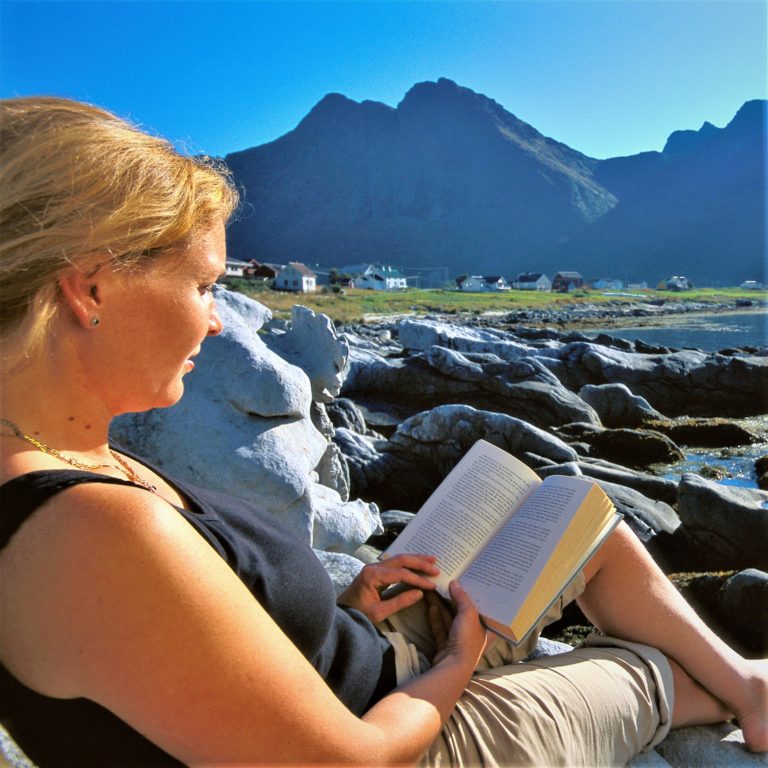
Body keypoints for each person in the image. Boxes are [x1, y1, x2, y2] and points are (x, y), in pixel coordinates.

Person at [0, 95, 765, 768]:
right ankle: (719, 697)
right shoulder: (85, 533)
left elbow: (196, 648)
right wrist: (459, 666)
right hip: (422, 740)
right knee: (647, 668)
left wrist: (347, 615)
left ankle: (743, 685)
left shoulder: (70, 455)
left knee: (572, 503)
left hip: (383, 660)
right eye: (204, 285)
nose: (213, 315)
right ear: (89, 287)